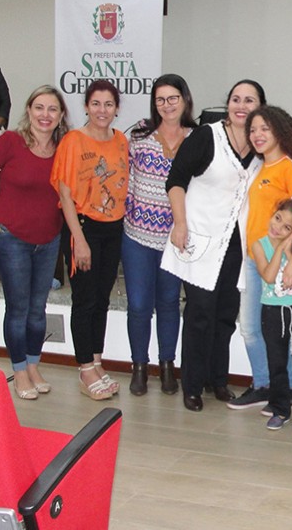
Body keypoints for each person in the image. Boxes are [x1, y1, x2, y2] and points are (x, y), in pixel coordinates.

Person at [161, 80, 265, 412]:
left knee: (225, 314)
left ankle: (217, 380)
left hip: (237, 245)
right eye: (236, 99)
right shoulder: (207, 136)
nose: (241, 106)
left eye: (249, 100)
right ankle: (192, 385)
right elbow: (175, 180)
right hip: (200, 240)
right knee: (200, 313)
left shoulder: (261, 144)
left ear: (260, 107)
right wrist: (180, 224)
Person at [0, 86, 69, 398]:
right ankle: (20, 371)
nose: (45, 115)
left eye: (52, 109)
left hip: (48, 239)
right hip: (12, 240)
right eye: (39, 107)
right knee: (18, 308)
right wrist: (2, 204)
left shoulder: (65, 148)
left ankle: (34, 365)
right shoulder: (10, 141)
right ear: (29, 111)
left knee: (38, 309)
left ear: (61, 115)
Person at [228, 106, 292, 411]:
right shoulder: (259, 167)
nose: (257, 135)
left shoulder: (289, 166)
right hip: (255, 259)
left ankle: (285, 389)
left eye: (264, 128)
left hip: (278, 263)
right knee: (252, 328)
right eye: (252, 130)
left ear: (279, 130)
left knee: (274, 331)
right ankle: (266, 385)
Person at [51, 79, 128, 400]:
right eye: (96, 103)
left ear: (117, 108)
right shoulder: (73, 141)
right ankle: (85, 369)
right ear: (86, 106)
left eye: (108, 104)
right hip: (83, 227)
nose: (102, 110)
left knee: (101, 299)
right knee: (84, 300)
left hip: (113, 228)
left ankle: (96, 361)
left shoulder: (120, 139)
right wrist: (79, 240)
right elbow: (65, 195)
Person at [123, 74, 198, 396]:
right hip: (137, 236)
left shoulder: (198, 138)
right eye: (160, 100)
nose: (167, 105)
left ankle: (168, 366)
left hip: (175, 238)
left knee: (168, 303)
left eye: (172, 98)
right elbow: (124, 178)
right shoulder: (139, 135)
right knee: (139, 305)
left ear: (185, 100)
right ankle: (139, 366)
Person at [255, 198, 292, 443]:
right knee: (276, 363)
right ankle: (280, 409)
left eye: (287, 227)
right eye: (278, 218)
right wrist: (280, 249)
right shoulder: (259, 245)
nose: (278, 227)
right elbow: (269, 277)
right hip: (272, 311)